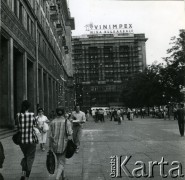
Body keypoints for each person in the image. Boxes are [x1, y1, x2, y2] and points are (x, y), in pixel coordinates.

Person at [16, 100, 38, 180]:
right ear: (29, 107)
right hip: (31, 140)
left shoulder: (18, 115)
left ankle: (23, 173)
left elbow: (18, 126)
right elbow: (35, 125)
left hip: (22, 141)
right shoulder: (32, 115)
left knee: (26, 156)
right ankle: (27, 176)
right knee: (30, 158)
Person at [49, 108, 72, 180]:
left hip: (55, 145)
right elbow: (70, 133)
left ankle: (63, 176)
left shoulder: (53, 122)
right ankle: (57, 178)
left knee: (59, 160)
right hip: (63, 145)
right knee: (61, 162)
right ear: (64, 113)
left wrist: (50, 146)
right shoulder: (67, 122)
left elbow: (50, 135)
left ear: (56, 113)